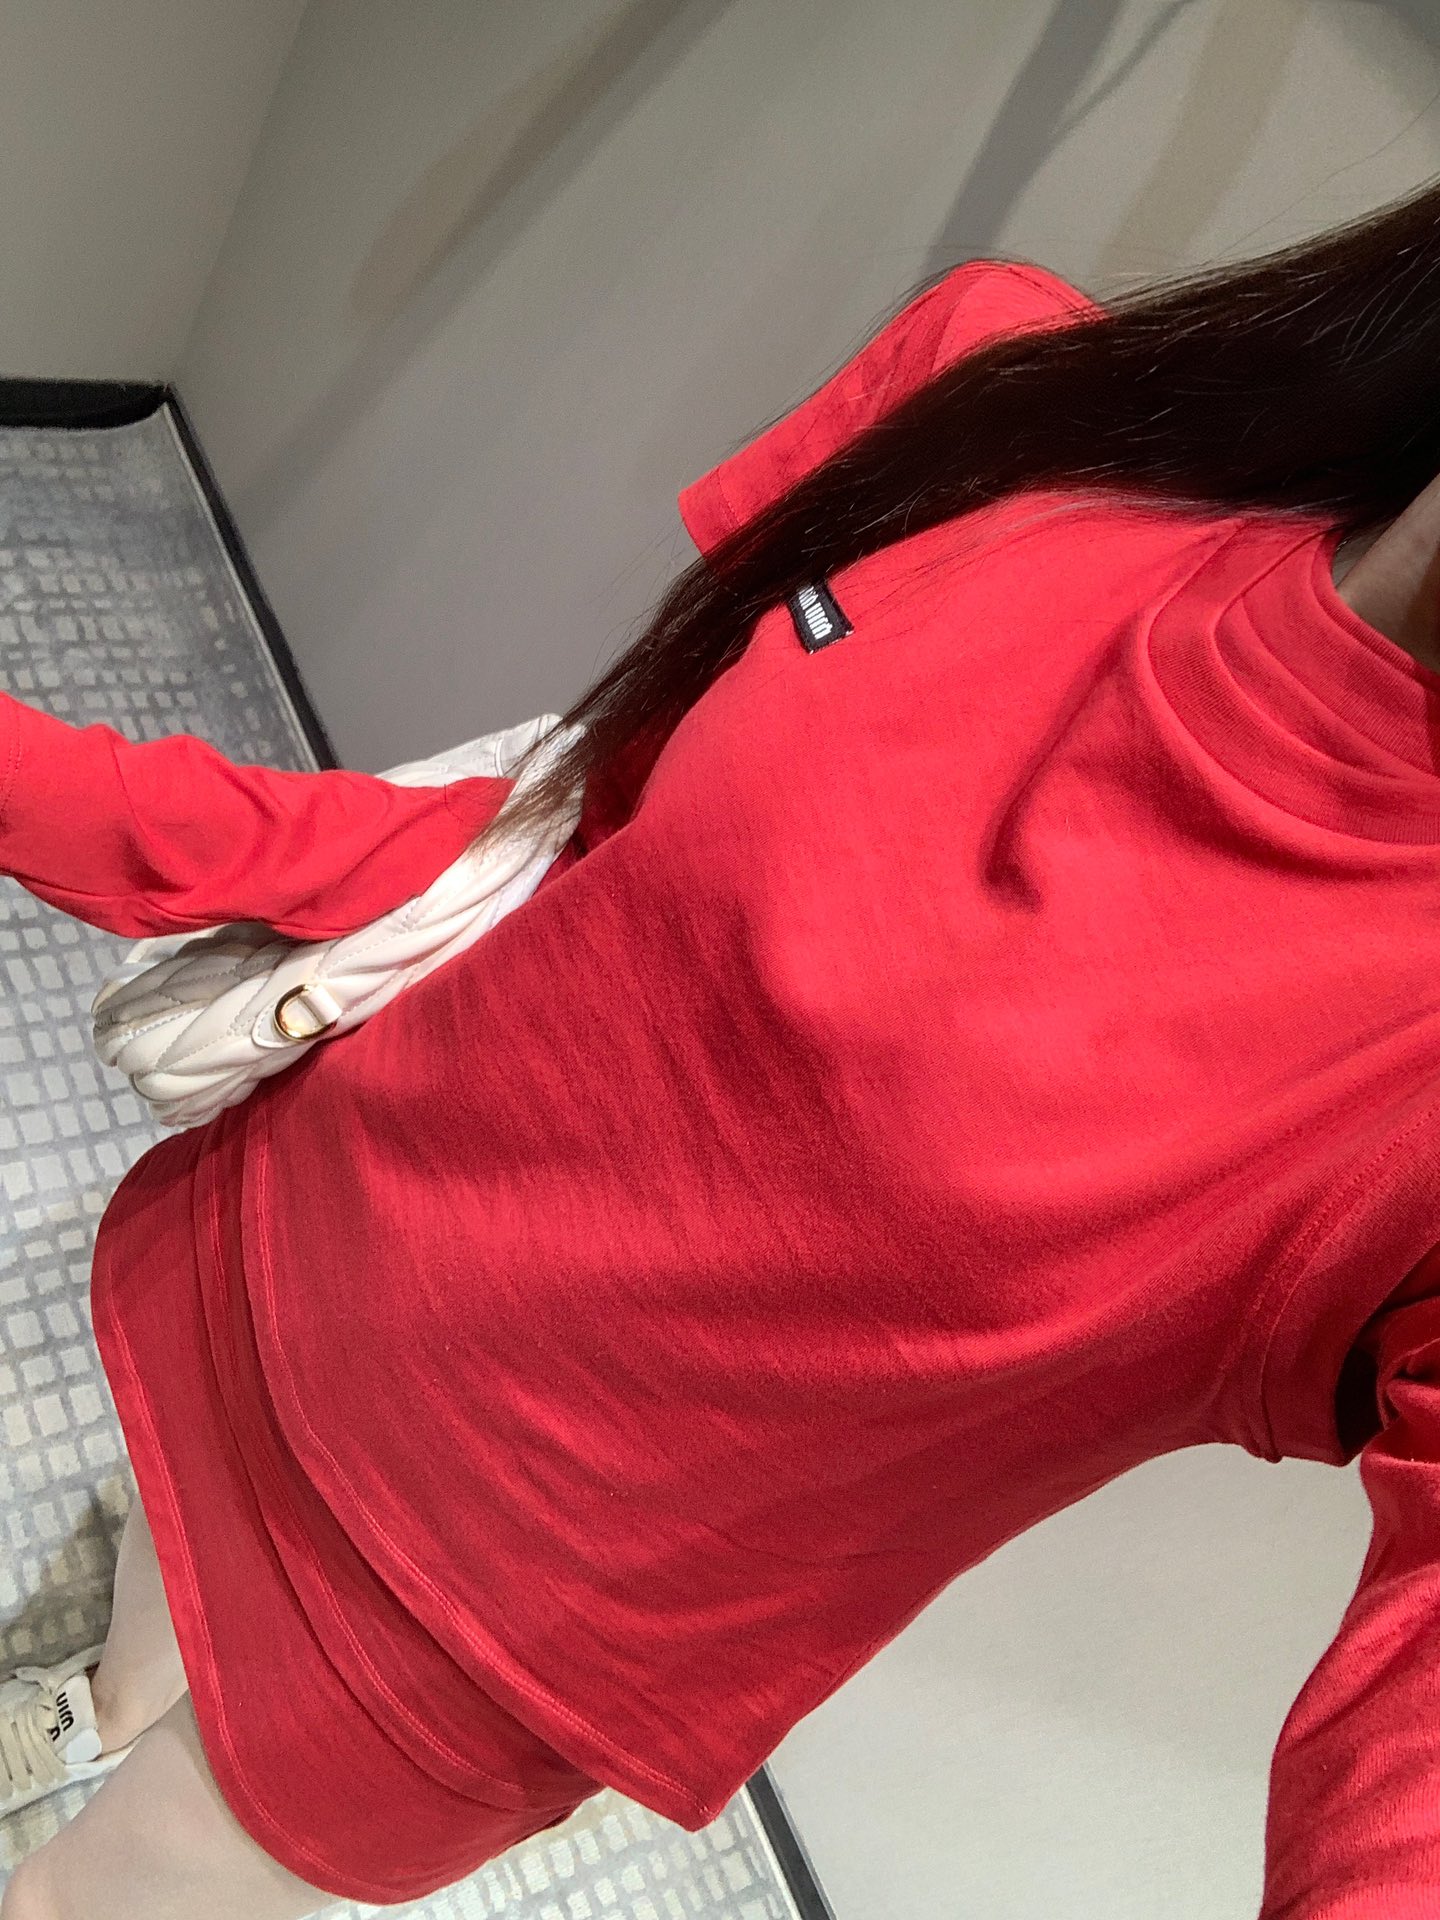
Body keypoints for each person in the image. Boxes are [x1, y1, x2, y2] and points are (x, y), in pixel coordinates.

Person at [5, 170, 1440, 1920]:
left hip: (438, 1646)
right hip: (270, 1251)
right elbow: (539, 847)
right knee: (151, 1592)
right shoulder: (1031, 406)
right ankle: (94, 1706)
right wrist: (48, 786)